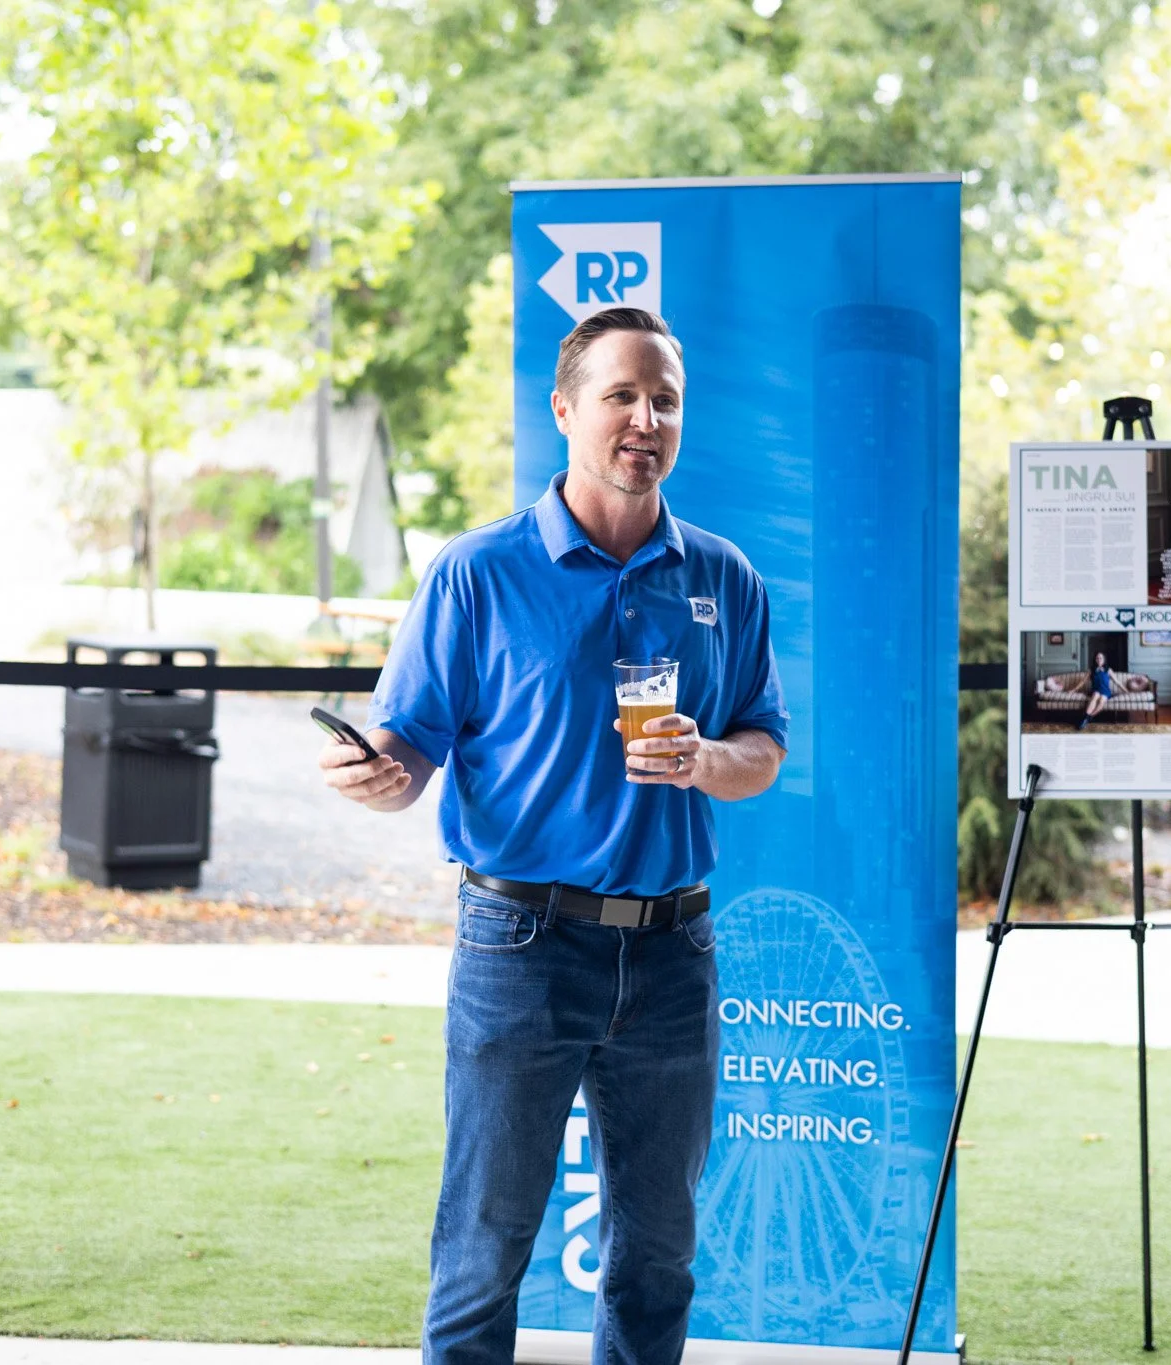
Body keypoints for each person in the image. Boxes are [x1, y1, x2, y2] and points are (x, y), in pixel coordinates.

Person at [319, 307, 788, 1365]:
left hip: (675, 954)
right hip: (518, 948)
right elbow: (406, 761)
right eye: (621, 395)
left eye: (663, 399)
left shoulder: (725, 578)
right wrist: (375, 774)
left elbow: (762, 749)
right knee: (485, 1245)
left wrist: (707, 759)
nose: (645, 419)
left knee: (658, 1252)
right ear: (566, 409)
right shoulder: (476, 575)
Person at [1076, 650, 1115, 731]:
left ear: (1104, 659)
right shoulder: (1091, 670)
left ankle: (1087, 718)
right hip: (1096, 690)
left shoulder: (1108, 670)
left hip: (1105, 691)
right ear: (1095, 660)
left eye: (1101, 658)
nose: (1099, 660)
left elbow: (1117, 682)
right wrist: (1073, 690)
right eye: (1097, 658)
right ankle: (1086, 719)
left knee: (1101, 700)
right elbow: (1083, 681)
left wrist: (1126, 691)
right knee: (1095, 696)